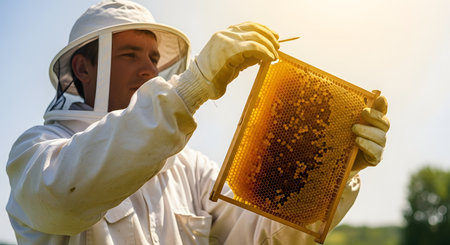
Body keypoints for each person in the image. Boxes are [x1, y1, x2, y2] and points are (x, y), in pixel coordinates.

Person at [6, 0, 390, 244]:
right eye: (129, 55)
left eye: (154, 59)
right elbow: (63, 196)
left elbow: (261, 239)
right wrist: (193, 87)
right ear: (83, 68)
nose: (148, 70)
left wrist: (331, 174)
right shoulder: (37, 151)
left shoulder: (188, 168)